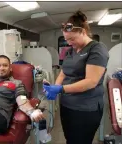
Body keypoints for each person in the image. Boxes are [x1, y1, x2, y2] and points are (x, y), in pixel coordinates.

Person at [43, 11, 109, 144]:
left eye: (72, 39)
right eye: (66, 39)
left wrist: (61, 89)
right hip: (67, 105)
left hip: (85, 109)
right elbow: (63, 72)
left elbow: (91, 82)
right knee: (70, 139)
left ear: (83, 32)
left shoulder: (97, 49)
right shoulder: (70, 51)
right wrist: (54, 87)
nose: (68, 42)